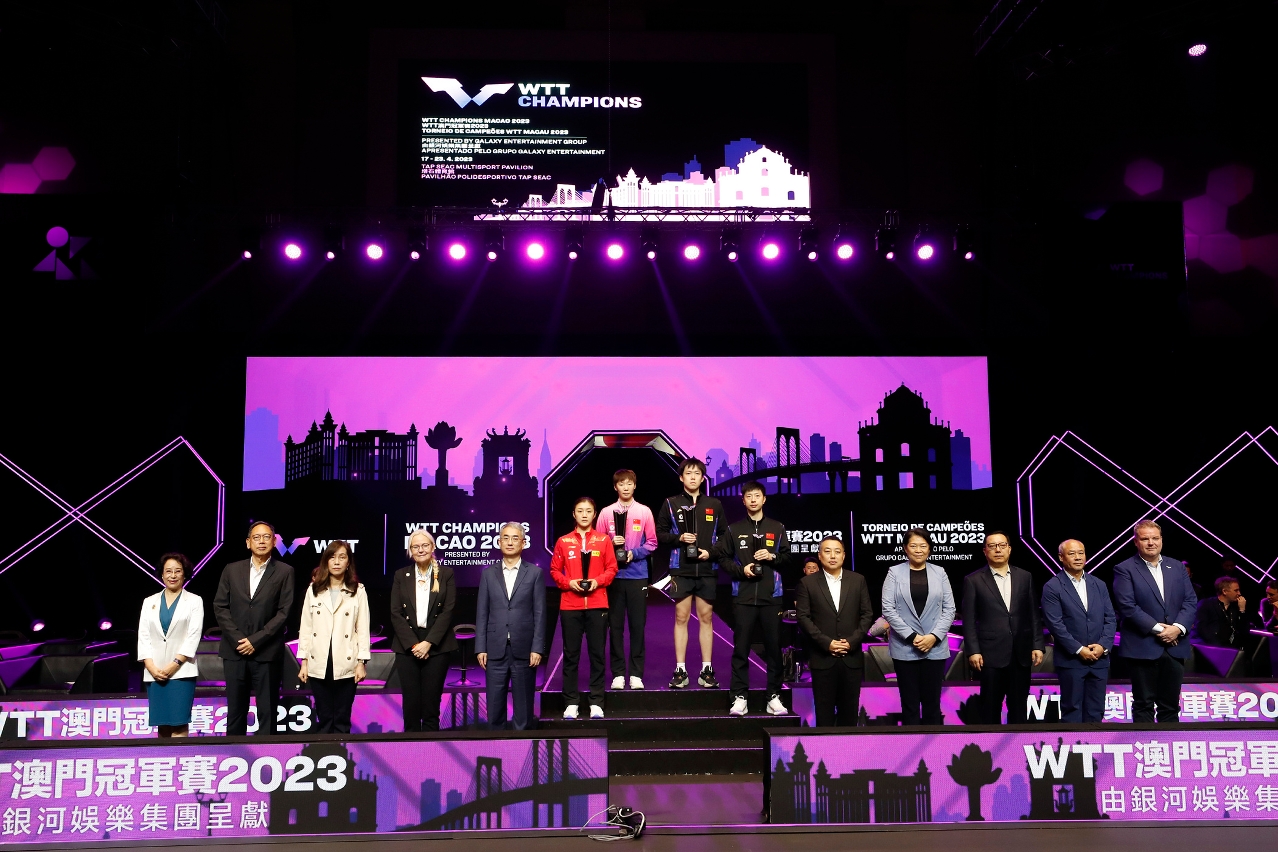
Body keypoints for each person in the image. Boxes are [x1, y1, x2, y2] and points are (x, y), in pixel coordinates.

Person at [213, 520, 296, 736]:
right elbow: (220, 606)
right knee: (235, 712)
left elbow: (284, 612)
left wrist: (255, 641)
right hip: (235, 652)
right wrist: (238, 640)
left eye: (266, 537)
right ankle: (234, 752)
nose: (261, 541)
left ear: (274, 541)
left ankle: (265, 754)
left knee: (267, 712)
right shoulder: (231, 569)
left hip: (266, 653)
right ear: (248, 542)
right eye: (256, 537)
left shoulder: (285, 571)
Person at [1113, 519, 1198, 724]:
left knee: (1170, 706)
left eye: (1155, 538)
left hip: (1175, 646)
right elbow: (1127, 606)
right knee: (1144, 704)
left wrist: (1177, 628)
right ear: (1136, 542)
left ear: (1161, 540)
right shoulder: (1124, 569)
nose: (1151, 543)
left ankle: (1170, 744)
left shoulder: (1177, 567)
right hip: (1142, 646)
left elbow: (1190, 601)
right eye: (1145, 539)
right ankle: (1145, 744)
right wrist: (1161, 630)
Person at [718, 481, 792, 716]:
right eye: (748, 496)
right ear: (743, 500)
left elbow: (787, 557)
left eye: (757, 496)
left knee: (774, 648)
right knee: (741, 648)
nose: (753, 500)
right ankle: (739, 696)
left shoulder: (777, 527)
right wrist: (742, 570)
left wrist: (772, 556)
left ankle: (773, 696)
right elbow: (723, 559)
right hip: (743, 597)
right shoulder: (734, 529)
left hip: (772, 597)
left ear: (764, 499)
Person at [656, 458, 726, 689]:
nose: (693, 477)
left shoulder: (714, 504)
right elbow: (660, 534)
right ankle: (680, 669)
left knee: (706, 618)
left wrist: (711, 553)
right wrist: (679, 538)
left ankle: (707, 670)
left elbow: (725, 537)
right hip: (681, 569)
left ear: (703, 478)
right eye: (689, 473)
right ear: (681, 477)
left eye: (697, 473)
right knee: (681, 617)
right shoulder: (671, 503)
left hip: (707, 569)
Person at [960, 531, 1044, 724]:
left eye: (1002, 545)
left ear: (1009, 549)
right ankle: (991, 744)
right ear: (985, 551)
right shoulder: (973, 580)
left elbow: (1033, 614)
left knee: (1019, 710)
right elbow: (969, 620)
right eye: (992, 546)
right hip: (990, 655)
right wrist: (973, 651)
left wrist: (1038, 644)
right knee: (990, 709)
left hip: (1020, 653)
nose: (998, 549)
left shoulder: (1025, 577)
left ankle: (1018, 743)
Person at [552, 497, 618, 719]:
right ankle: (571, 702)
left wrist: (597, 582)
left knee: (597, 654)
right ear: (574, 514)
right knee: (571, 655)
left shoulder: (603, 540)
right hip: (570, 605)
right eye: (580, 511)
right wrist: (568, 583)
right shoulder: (563, 541)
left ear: (594, 514)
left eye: (588, 511)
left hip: (598, 604)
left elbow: (612, 568)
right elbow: (554, 570)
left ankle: (596, 701)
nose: (584, 515)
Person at [881, 528, 955, 725]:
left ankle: (934, 744)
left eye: (923, 545)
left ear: (929, 548)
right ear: (905, 548)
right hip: (905, 648)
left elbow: (950, 609)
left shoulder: (940, 572)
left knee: (932, 705)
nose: (919, 550)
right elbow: (888, 609)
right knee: (910, 705)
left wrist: (934, 636)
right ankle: (911, 743)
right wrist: (912, 636)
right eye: (913, 546)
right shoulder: (894, 572)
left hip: (935, 647)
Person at [795, 536, 873, 726]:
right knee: (824, 715)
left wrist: (851, 642)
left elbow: (867, 614)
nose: (832, 556)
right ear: (819, 555)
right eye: (827, 551)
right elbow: (803, 618)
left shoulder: (858, 580)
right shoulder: (807, 583)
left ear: (844, 556)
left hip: (851, 658)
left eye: (837, 551)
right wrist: (827, 643)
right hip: (822, 658)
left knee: (850, 715)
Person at [476, 522, 546, 730]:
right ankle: (496, 744)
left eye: (515, 538)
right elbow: (482, 612)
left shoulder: (534, 573)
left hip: (524, 649)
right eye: (505, 538)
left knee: (523, 708)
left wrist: (537, 648)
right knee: (494, 706)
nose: (510, 542)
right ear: (499, 542)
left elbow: (540, 613)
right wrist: (480, 647)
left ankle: (521, 745)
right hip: (494, 648)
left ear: (523, 543)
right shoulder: (488, 574)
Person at [296, 541, 369, 733]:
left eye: (342, 557)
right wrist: (304, 662)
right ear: (326, 561)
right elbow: (306, 627)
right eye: (332, 557)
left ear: (348, 562)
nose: (336, 562)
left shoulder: (358, 590)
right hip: (319, 660)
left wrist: (361, 662)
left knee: (342, 717)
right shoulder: (314, 590)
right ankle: (325, 749)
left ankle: (343, 749)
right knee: (324, 715)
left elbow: (363, 628)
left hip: (346, 660)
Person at [1041, 539, 1116, 723]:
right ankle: (1074, 744)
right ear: (1061, 557)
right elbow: (1055, 624)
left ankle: (1094, 743)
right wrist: (1079, 649)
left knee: (1096, 711)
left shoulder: (1098, 584)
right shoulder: (1052, 586)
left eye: (1081, 553)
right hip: (1071, 661)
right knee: (1072, 710)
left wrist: (1102, 646)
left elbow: (1110, 618)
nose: (1077, 557)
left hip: (1099, 659)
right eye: (1072, 553)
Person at [390, 529, 458, 732]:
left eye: (425, 545)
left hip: (437, 645)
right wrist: (414, 644)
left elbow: (448, 611)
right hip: (407, 646)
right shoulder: (401, 575)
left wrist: (428, 643)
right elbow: (395, 612)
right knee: (411, 704)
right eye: (415, 546)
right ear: (410, 550)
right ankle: (410, 747)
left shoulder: (446, 574)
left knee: (431, 703)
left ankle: (431, 747)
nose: (420, 550)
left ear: (433, 547)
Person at [596, 469, 658, 691]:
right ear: (615, 487)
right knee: (615, 627)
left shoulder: (644, 511)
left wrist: (634, 553)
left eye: (629, 483)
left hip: (637, 575)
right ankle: (619, 674)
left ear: (635, 486)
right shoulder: (606, 513)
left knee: (637, 626)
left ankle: (636, 674)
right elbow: (597, 544)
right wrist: (610, 544)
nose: (625, 487)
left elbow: (652, 543)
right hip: (612, 577)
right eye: (621, 483)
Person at [138, 553, 204, 737]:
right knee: (162, 724)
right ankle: (163, 756)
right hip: (155, 671)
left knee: (179, 725)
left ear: (185, 574)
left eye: (177, 571)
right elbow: (143, 636)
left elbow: (193, 636)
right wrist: (151, 666)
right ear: (162, 574)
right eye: (168, 571)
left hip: (181, 672)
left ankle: (179, 756)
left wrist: (174, 665)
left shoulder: (194, 601)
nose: (172, 575)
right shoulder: (149, 602)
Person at [1191, 576, 1258, 648]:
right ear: (1224, 591)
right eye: (1236, 590)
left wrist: (1242, 610)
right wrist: (1218, 647)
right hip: (1210, 647)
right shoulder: (1206, 604)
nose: (1239, 593)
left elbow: (1244, 631)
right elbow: (1202, 629)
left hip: (1231, 647)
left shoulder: (1236, 606)